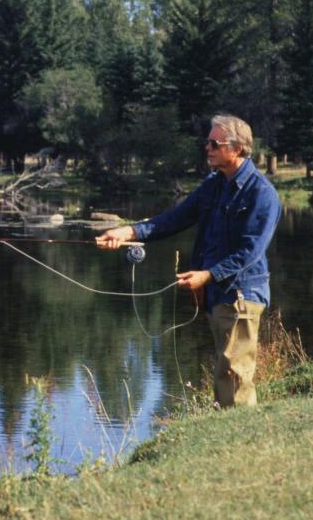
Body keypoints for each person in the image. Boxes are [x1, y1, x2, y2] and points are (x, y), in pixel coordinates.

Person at [96, 115, 281, 407]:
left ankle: (243, 440)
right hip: (217, 295)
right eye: (207, 142)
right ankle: (228, 436)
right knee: (224, 368)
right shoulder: (214, 184)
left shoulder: (262, 194)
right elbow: (174, 220)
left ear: (236, 148)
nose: (207, 148)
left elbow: (250, 252)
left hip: (242, 295)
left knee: (235, 372)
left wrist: (207, 275)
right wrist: (129, 231)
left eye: (214, 143)